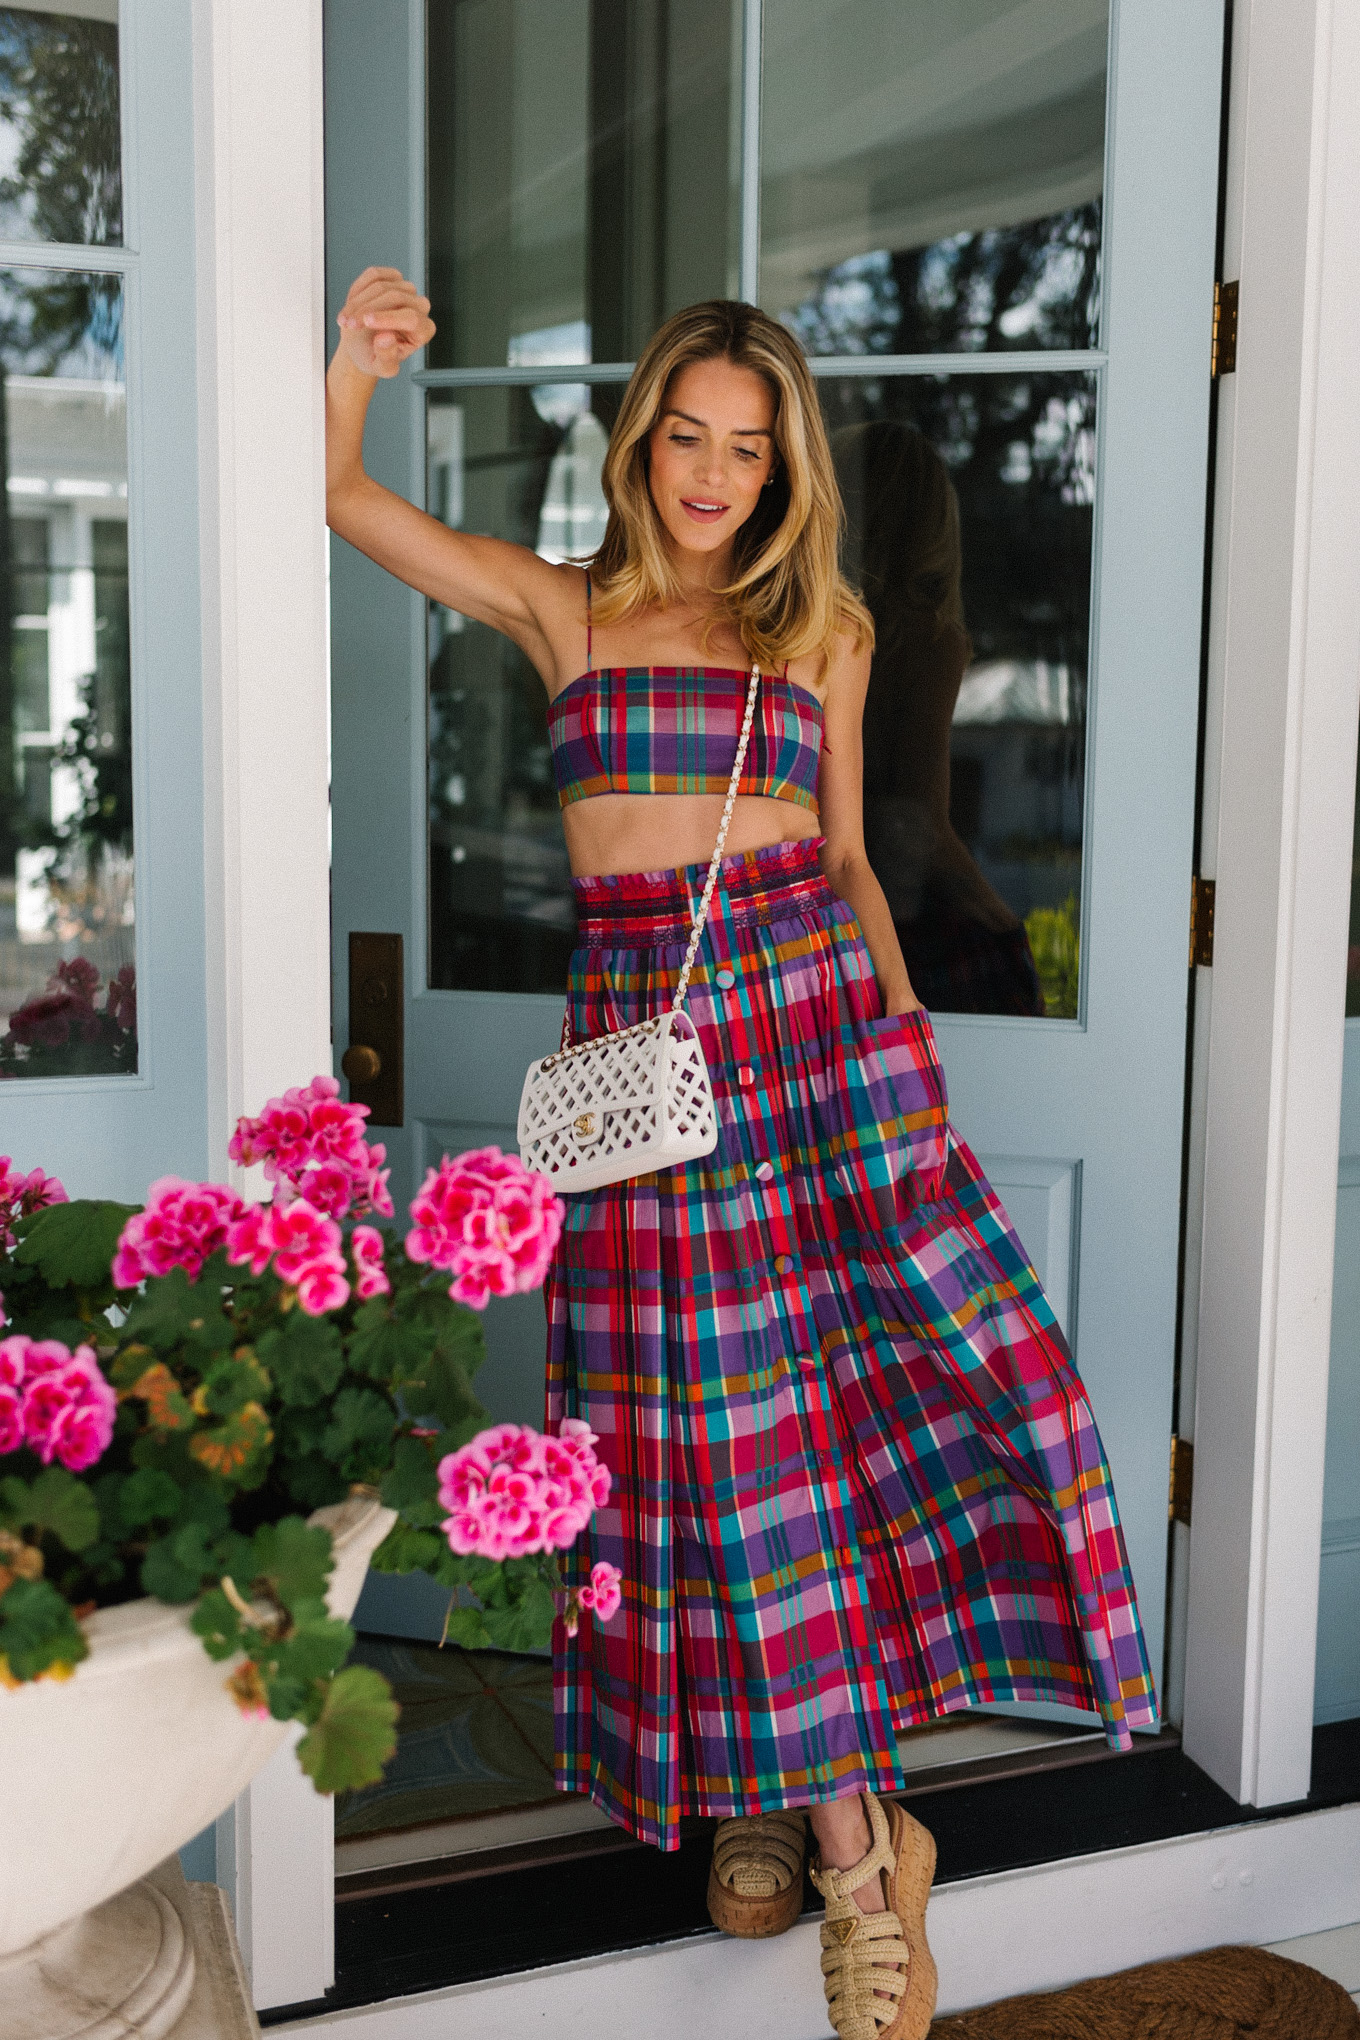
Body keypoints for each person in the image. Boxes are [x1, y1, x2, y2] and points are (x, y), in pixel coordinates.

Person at [327, 270, 1156, 2040]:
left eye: (748, 448)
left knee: (848, 1420)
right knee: (698, 1450)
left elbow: (855, 861)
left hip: (816, 1045)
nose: (714, 474)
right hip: (647, 1074)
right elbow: (344, 503)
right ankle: (779, 1791)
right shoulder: (567, 612)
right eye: (687, 439)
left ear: (784, 472)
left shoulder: (823, 634)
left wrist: (908, 1039)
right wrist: (356, 371)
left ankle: (859, 1855)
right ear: (642, 448)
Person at [833, 419, 1047, 1018]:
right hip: (898, 915)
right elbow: (920, 820)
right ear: (933, 522)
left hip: (818, 908)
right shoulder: (927, 642)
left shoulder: (808, 630)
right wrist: (1003, 922)